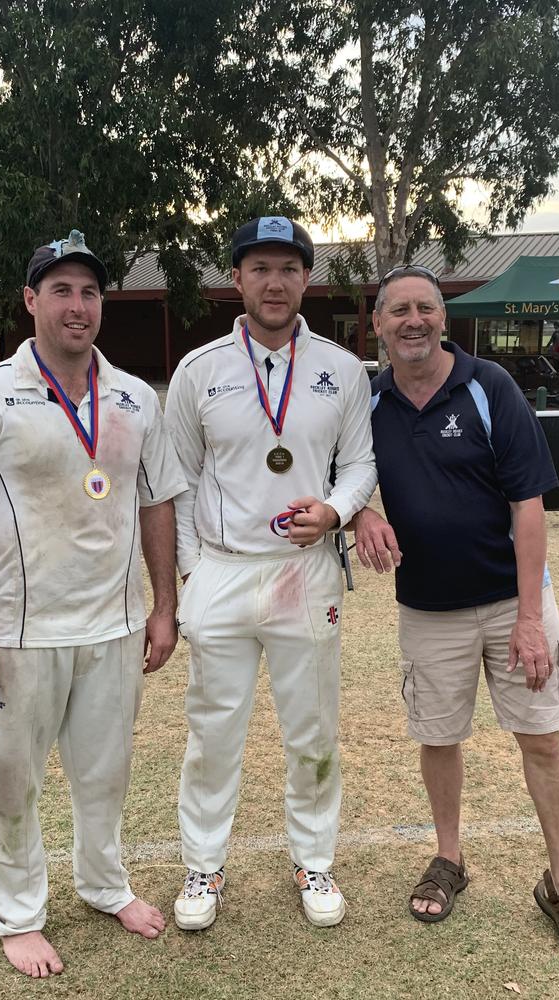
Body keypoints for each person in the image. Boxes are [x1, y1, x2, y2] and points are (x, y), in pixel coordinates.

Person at [0, 230, 187, 977]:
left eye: (90, 292)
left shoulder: (136, 396)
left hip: (113, 627)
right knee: (12, 780)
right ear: (31, 301)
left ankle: (104, 884)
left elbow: (158, 501)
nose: (78, 306)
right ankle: (18, 915)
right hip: (18, 633)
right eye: (62, 290)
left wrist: (163, 606)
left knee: (106, 773)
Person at [354, 263, 559, 961]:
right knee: (440, 736)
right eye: (400, 311)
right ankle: (450, 859)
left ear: (442, 318)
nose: (414, 320)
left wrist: (530, 617)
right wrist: (360, 512)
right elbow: (343, 474)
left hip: (515, 602)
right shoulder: (368, 403)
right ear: (380, 325)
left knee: (541, 737)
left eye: (426, 307)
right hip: (428, 608)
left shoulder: (490, 388)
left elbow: (529, 505)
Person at [164, 216, 377, 932]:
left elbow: (360, 464)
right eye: (260, 268)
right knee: (211, 732)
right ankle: (204, 864)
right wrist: (192, 571)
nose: (275, 282)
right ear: (237, 280)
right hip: (222, 572)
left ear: (306, 279)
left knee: (311, 729)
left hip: (303, 571)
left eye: (289, 268)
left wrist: (340, 511)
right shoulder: (199, 371)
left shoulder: (343, 369)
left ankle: (314, 858)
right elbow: (180, 479)